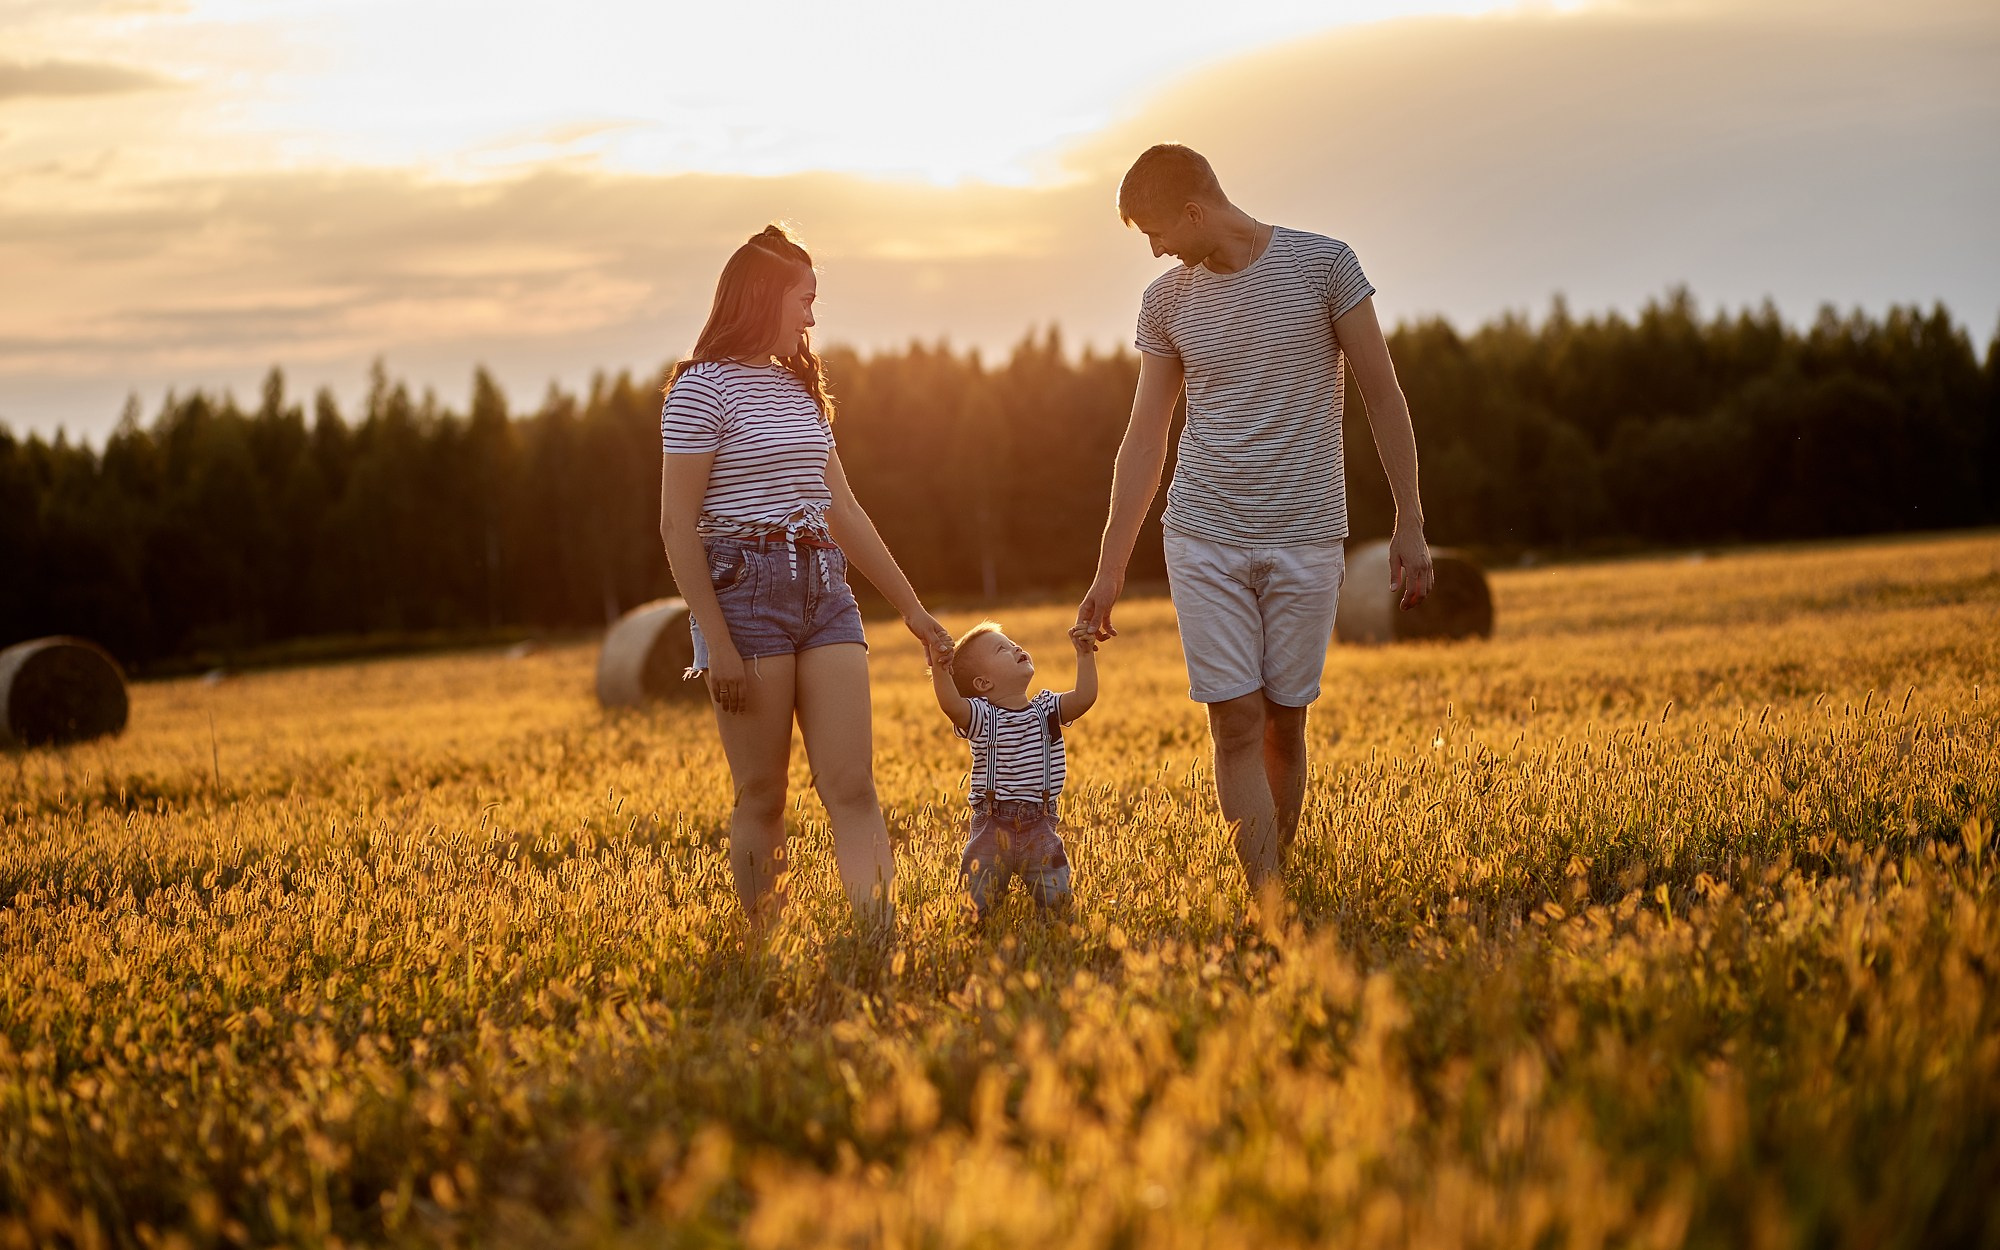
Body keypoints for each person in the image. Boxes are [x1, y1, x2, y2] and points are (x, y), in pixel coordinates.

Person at [1076, 144, 1435, 893]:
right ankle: (1266, 902)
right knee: (1235, 718)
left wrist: (1410, 519)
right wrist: (1109, 571)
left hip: (1307, 534)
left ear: (1193, 212)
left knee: (1284, 721)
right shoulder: (1166, 302)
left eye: (1157, 232)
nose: (1156, 250)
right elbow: (1145, 438)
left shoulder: (1325, 266)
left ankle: (1280, 875)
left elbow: (1383, 394)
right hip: (1202, 535)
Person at [659, 224, 954, 928]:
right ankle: (765, 947)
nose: (813, 318)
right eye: (805, 300)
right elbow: (676, 525)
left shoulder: (798, 387)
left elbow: (842, 509)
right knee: (763, 793)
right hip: (744, 597)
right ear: (765, 299)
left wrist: (912, 610)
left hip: (824, 586)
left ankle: (877, 937)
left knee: (852, 784)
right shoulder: (699, 390)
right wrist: (717, 641)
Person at [929, 620, 1099, 922]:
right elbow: (952, 705)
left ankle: (1057, 934)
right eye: (1002, 649)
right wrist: (941, 669)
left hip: (1041, 825)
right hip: (992, 826)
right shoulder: (983, 717)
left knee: (1058, 904)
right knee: (977, 905)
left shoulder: (1047, 710)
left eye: (1012, 644)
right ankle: (976, 937)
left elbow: (1084, 697)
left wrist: (1084, 655)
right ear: (984, 683)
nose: (1016, 648)